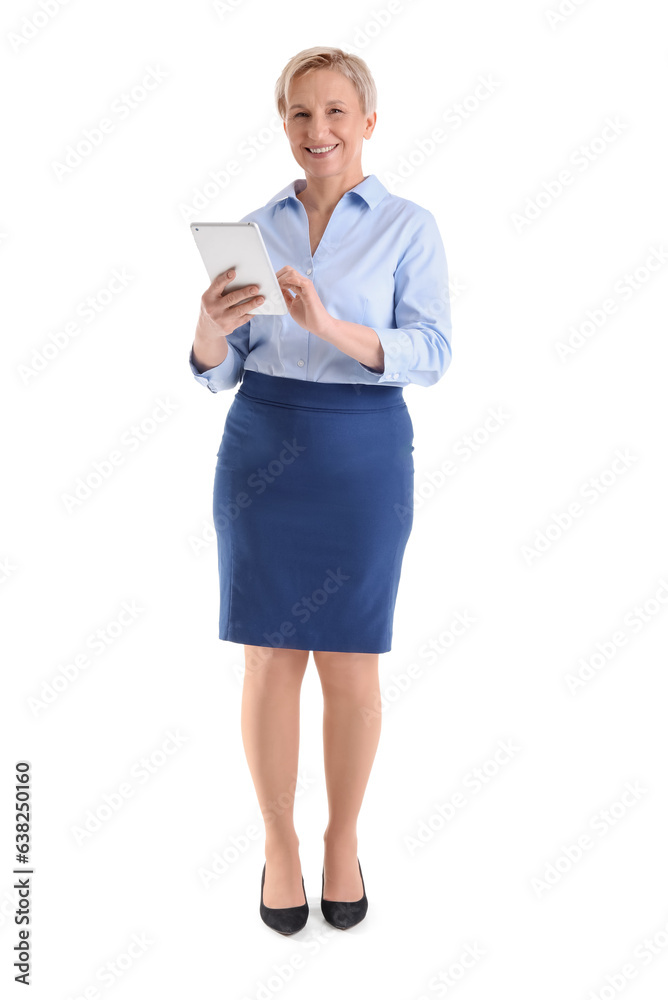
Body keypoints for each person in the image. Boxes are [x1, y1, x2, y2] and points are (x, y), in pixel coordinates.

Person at [189, 46, 452, 934]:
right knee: (269, 658)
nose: (319, 131)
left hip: (362, 455)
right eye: (302, 114)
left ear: (368, 121)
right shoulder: (256, 228)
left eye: (337, 112)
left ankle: (342, 841)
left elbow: (433, 351)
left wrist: (331, 327)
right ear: (285, 124)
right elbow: (221, 376)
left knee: (352, 661)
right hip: (264, 447)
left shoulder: (410, 226)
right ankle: (279, 847)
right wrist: (207, 330)